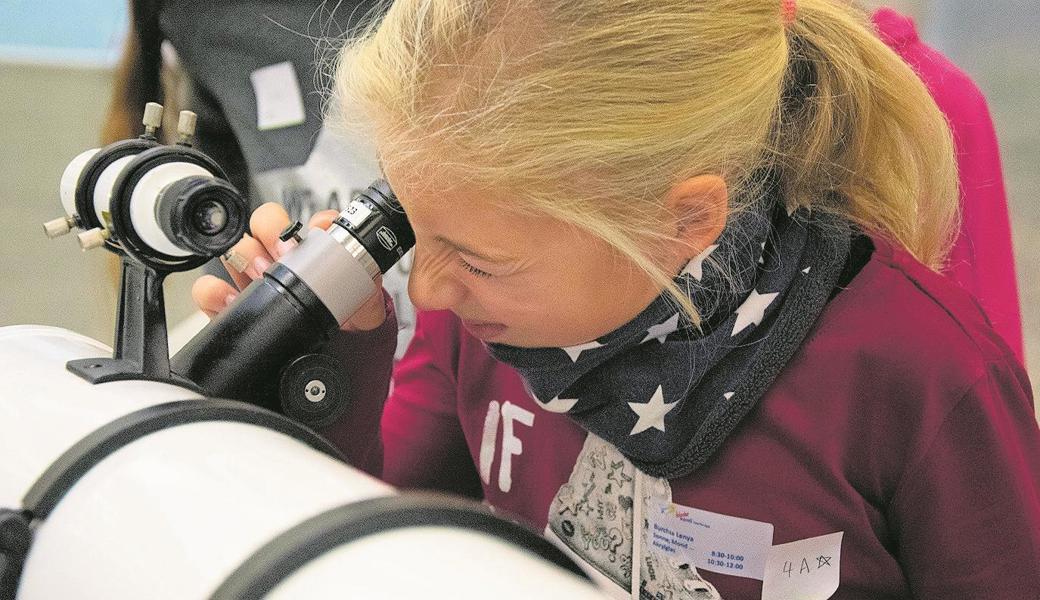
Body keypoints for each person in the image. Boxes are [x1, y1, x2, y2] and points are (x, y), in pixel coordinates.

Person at [195, 0, 1040, 598]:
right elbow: (385, 544)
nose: (428, 291)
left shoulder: (919, 378)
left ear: (685, 221)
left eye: (478, 260)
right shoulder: (476, 330)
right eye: (418, 233)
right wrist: (323, 375)